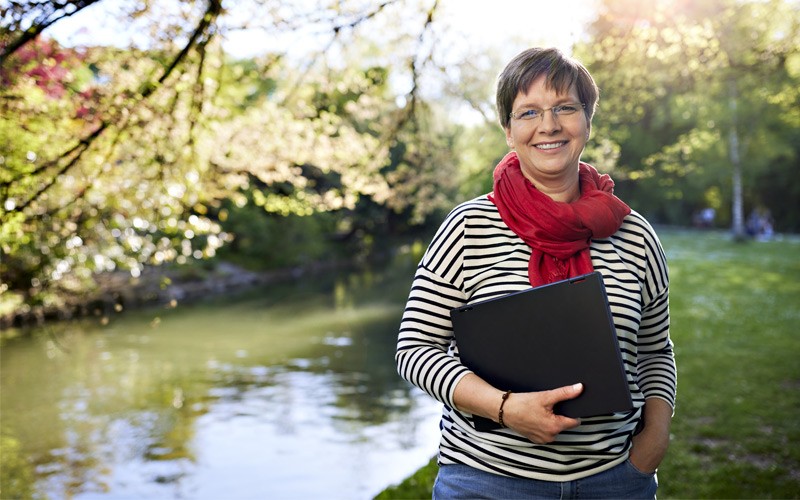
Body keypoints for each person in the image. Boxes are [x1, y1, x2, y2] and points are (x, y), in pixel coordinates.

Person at [396, 47, 676, 499]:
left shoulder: (634, 235)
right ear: (509, 131)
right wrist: (504, 408)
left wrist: (654, 439)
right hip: (488, 482)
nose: (548, 125)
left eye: (565, 107)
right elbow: (415, 350)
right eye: (529, 112)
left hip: (615, 480)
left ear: (587, 121)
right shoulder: (468, 228)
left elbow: (655, 352)